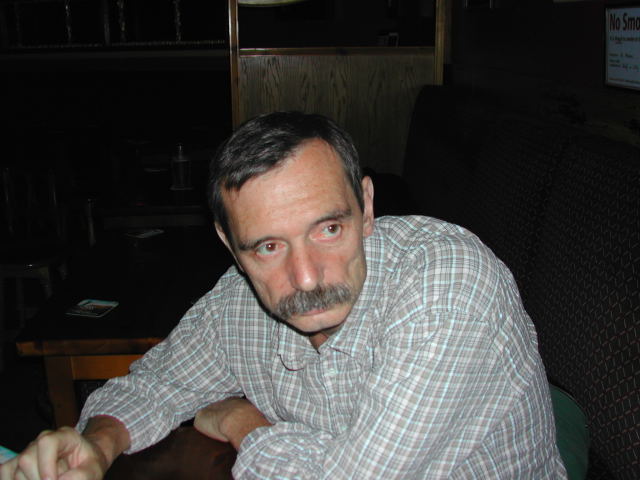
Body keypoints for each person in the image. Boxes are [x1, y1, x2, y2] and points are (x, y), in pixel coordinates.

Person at [0, 112, 567, 479]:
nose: (306, 278)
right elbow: (156, 383)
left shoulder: (448, 286)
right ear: (230, 244)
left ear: (367, 206)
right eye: (268, 246)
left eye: (329, 228)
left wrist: (244, 424)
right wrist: (98, 443)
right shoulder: (237, 303)